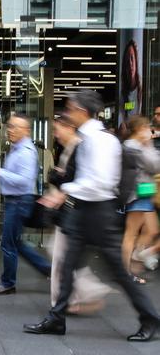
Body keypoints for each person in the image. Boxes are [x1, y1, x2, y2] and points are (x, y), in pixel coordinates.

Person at [24, 90, 160, 341]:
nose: (66, 113)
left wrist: (64, 191)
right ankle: (56, 318)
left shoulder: (99, 141)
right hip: (84, 209)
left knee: (117, 271)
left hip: (99, 212)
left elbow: (98, 182)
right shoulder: (87, 138)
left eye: (70, 108)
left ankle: (150, 318)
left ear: (82, 112)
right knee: (66, 265)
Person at [46, 114, 113, 313]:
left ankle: (73, 298)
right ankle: (69, 299)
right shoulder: (69, 148)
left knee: (62, 257)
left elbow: (75, 179)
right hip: (70, 211)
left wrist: (59, 181)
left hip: (74, 211)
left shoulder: (78, 147)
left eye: (58, 129)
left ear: (69, 127)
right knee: (61, 256)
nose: (55, 134)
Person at [0, 115, 51, 295]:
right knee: (16, 242)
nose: (10, 130)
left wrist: (0, 173)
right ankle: (47, 269)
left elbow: (24, 181)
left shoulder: (26, 152)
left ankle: (7, 283)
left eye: (15, 127)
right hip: (16, 201)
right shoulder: (17, 148)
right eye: (10, 126)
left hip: (19, 201)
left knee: (8, 243)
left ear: (26, 131)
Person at [121, 115, 160, 277]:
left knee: (152, 230)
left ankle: (137, 257)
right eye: (146, 127)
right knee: (131, 234)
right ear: (139, 129)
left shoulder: (132, 145)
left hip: (143, 193)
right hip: (137, 194)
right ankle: (125, 272)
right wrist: (149, 144)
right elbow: (155, 165)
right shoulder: (134, 147)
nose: (149, 130)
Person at [119, 39, 143, 129]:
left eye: (132, 58)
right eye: (127, 60)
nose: (130, 64)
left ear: (136, 61)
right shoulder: (122, 94)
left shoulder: (142, 89)